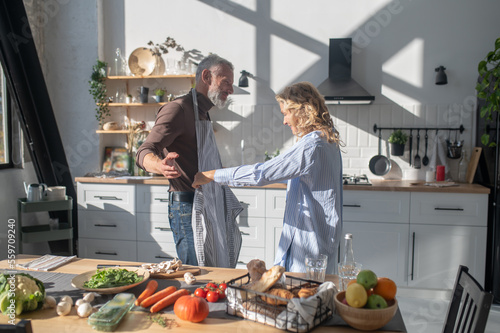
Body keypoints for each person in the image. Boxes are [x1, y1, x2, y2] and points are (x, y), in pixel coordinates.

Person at [193, 81, 343, 274]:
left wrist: (213, 175)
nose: (285, 121)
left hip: (308, 247)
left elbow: (261, 174)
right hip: (318, 243)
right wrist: (229, 172)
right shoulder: (326, 141)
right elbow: (292, 177)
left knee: (301, 299)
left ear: (301, 110)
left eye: (286, 113)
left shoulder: (311, 146)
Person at [136, 54, 243, 267]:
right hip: (186, 206)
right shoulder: (178, 109)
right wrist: (159, 165)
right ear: (206, 76)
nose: (230, 90)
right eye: (226, 83)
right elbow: (143, 150)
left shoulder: (203, 112)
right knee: (197, 274)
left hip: (206, 202)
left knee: (212, 271)